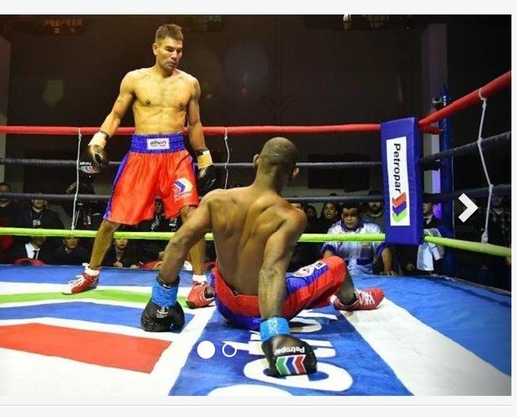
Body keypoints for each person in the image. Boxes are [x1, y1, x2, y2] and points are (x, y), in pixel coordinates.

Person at [139, 137, 384, 378]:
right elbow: (271, 270)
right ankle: (350, 300)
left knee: (220, 266)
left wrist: (162, 302)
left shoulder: (216, 199)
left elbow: (180, 242)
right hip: (259, 312)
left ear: (256, 161)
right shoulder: (289, 216)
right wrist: (275, 335)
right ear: (294, 173)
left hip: (224, 303)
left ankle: (179, 301)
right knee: (337, 266)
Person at [62, 23, 217, 308]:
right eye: (169, 49)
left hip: (176, 155)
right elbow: (116, 113)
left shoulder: (189, 83)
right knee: (112, 219)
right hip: (140, 155)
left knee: (191, 215)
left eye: (180, 50)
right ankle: (91, 273)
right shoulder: (135, 79)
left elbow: (194, 124)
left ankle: (199, 283)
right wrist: (99, 140)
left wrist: (203, 156)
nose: (175, 55)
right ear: (155, 48)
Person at [321, 201, 396, 276]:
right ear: (341, 216)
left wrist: (387, 270)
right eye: (346, 215)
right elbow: (328, 250)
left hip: (367, 276)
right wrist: (325, 274)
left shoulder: (371, 227)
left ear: (359, 215)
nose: (349, 218)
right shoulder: (335, 229)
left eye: (353, 215)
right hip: (341, 278)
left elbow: (384, 249)